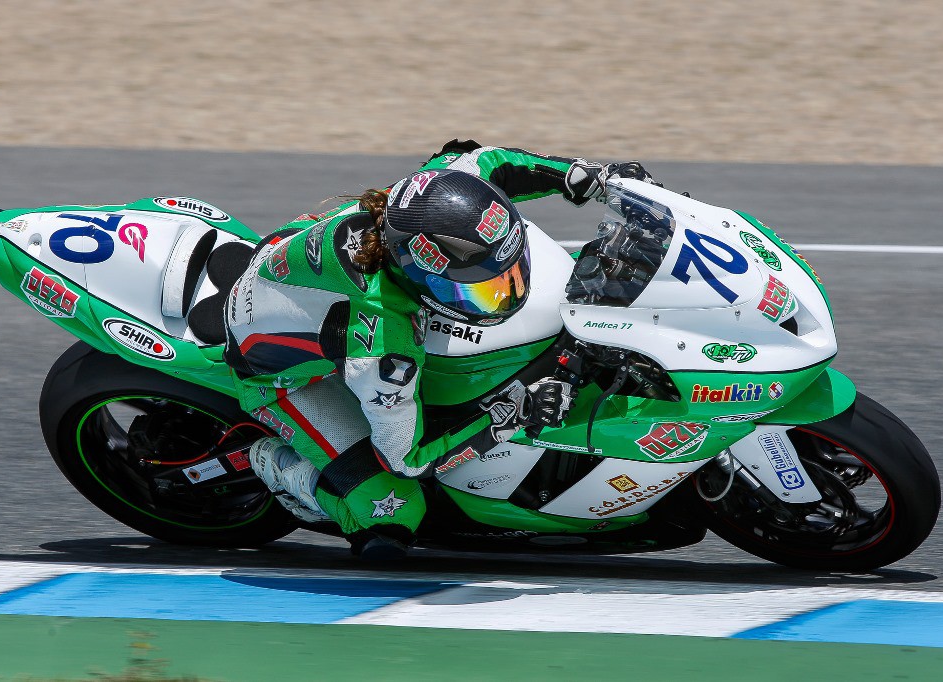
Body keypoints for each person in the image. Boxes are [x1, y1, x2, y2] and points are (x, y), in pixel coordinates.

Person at [223, 139, 657, 559]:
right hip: (283, 378)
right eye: (481, 290)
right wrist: (512, 416)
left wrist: (592, 177)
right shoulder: (382, 349)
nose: (507, 294)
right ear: (421, 275)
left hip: (291, 257)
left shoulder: (432, 193)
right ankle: (282, 467)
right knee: (394, 512)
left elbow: (490, 162)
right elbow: (406, 459)